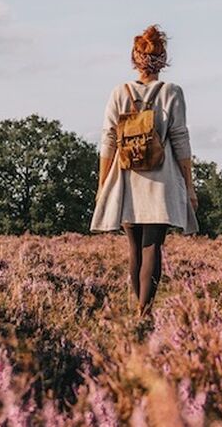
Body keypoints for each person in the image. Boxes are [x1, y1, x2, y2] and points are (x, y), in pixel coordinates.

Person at [90, 24, 199, 318]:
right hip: (160, 182)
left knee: (134, 248)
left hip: (126, 178)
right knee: (153, 246)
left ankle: (141, 310)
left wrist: (103, 186)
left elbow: (108, 141)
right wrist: (188, 186)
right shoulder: (172, 92)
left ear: (134, 59)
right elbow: (180, 142)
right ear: (162, 60)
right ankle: (144, 311)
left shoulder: (118, 92)